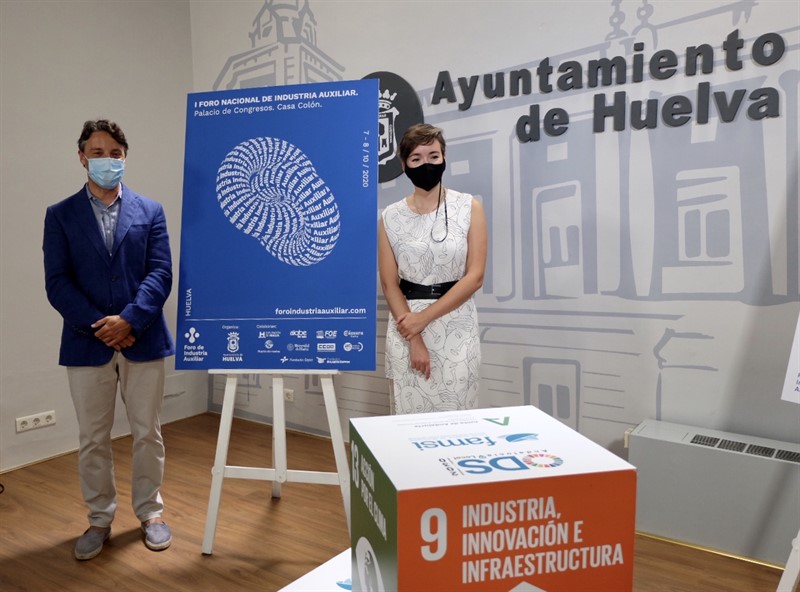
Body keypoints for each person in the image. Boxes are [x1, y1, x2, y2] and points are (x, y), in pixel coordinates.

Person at [43, 119, 175, 560]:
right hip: (86, 343)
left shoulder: (150, 211)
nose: (106, 160)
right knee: (93, 438)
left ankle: (151, 513)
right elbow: (57, 282)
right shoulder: (60, 215)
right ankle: (99, 518)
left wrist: (130, 320)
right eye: (97, 153)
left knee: (148, 433)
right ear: (82, 157)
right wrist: (102, 325)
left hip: (143, 339)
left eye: (114, 153)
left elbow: (160, 273)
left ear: (125, 157)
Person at [378, 123, 487, 414]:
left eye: (433, 156)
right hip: (406, 328)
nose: (426, 164)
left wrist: (423, 319)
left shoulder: (469, 207)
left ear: (444, 158)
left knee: (457, 418)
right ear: (404, 165)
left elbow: (475, 277)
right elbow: (389, 283)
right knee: (408, 420)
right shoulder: (390, 217)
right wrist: (414, 335)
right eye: (416, 158)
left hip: (457, 326)